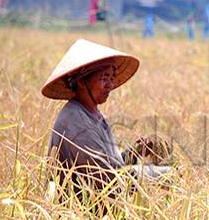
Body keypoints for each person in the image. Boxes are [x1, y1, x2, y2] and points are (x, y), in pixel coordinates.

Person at [42, 39, 173, 199]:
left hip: (98, 205)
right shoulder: (75, 121)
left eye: (112, 77)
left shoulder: (93, 114)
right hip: (81, 215)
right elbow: (108, 181)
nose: (110, 85)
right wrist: (161, 175)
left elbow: (111, 164)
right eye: (104, 78)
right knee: (171, 174)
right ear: (82, 82)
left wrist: (136, 152)